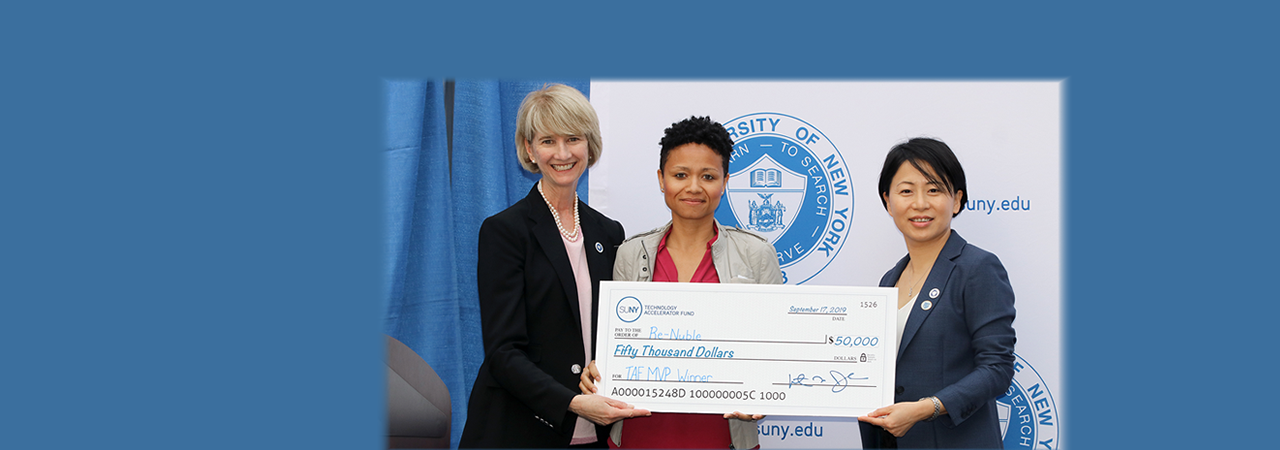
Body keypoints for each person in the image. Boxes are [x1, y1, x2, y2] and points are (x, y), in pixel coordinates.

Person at [459, 84, 649, 449]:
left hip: (597, 432)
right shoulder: (504, 232)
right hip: (520, 430)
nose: (562, 153)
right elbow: (503, 353)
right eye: (548, 141)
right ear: (529, 149)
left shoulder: (609, 233)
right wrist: (573, 403)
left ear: (589, 145)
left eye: (573, 139)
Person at [580, 116, 782, 449]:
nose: (693, 187)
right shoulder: (631, 253)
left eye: (708, 176)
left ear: (725, 181)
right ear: (661, 179)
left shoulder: (756, 254)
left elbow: (779, 350)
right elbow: (616, 343)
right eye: (680, 175)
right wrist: (599, 370)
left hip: (722, 439)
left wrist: (769, 394)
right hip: (636, 437)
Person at [856, 138, 1017, 448]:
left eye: (933, 190)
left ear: (956, 200)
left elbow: (997, 368)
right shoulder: (889, 281)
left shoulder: (977, 268)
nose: (920, 203)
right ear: (888, 201)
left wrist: (925, 408)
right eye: (906, 191)